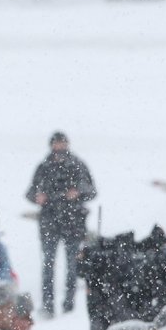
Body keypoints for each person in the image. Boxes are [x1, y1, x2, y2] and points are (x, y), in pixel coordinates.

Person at [27, 132, 97, 315]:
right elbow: (30, 192)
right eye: (56, 143)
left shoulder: (78, 165)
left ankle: (69, 303)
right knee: (48, 264)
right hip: (49, 221)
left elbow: (91, 190)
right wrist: (37, 197)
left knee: (72, 264)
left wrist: (78, 193)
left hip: (73, 221)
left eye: (62, 143)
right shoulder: (43, 167)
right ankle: (48, 304)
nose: (59, 146)